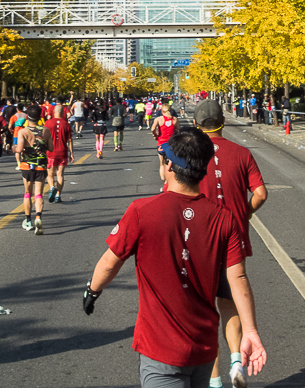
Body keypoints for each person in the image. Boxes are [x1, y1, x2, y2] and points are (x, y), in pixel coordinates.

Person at [84, 127, 267, 388]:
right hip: (203, 347)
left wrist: (92, 291)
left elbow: (110, 262)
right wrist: (250, 331)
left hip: (160, 349)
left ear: (170, 165)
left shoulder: (142, 211)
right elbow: (237, 275)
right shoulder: (223, 218)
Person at [194, 99, 267, 388]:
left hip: (201, 241)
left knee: (206, 310)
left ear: (198, 126)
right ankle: (237, 361)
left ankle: (214, 381)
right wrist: (244, 213)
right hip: (234, 237)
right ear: (223, 122)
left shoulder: (194, 156)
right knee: (230, 304)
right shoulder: (242, 153)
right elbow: (260, 193)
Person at [14, 105, 50, 234]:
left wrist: (13, 148)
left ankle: (28, 220)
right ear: (40, 116)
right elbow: (50, 147)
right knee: (39, 194)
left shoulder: (22, 131)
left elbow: (19, 149)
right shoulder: (45, 130)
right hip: (41, 165)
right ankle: (38, 217)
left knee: (27, 193)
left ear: (27, 117)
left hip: (26, 166)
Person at [45, 104, 74, 202]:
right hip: (63, 152)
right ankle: (58, 195)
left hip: (50, 152)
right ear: (63, 113)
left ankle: (52, 187)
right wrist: (72, 153)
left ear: (54, 112)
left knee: (50, 174)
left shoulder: (47, 123)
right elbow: (70, 140)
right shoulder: (66, 124)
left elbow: (43, 138)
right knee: (60, 174)